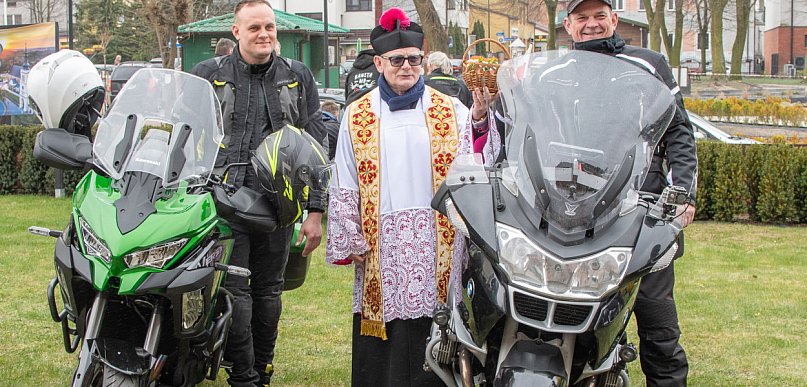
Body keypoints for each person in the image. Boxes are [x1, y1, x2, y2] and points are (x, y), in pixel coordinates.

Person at [325, 7, 499, 387]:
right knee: (387, 336)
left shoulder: (450, 109)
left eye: (414, 59)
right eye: (397, 60)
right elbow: (344, 178)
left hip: (437, 241)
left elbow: (475, 159)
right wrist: (349, 234)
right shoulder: (357, 115)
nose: (407, 66)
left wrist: (480, 119)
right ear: (379, 62)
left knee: (436, 325)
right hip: (380, 245)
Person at [190, 1, 326, 386]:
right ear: (236, 32)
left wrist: (315, 212)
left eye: (269, 26)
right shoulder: (208, 74)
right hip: (221, 201)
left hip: (278, 205)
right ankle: (243, 376)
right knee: (234, 292)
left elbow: (316, 147)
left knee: (268, 294)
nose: (264, 34)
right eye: (254, 28)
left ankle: (262, 370)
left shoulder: (297, 76)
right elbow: (183, 133)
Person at [563, 1, 698, 385]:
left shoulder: (649, 63)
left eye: (599, 16)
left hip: (642, 211)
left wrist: (683, 192)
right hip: (575, 213)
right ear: (568, 25)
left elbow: (679, 131)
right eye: (582, 18)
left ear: (615, 19)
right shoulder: (556, 71)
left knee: (658, 325)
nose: (591, 24)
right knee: (575, 323)